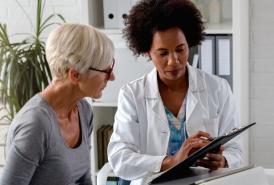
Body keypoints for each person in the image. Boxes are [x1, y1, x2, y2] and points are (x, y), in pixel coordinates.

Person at [107, 0, 243, 184]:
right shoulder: (132, 95)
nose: (174, 61)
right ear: (147, 52)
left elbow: (235, 150)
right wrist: (170, 162)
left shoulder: (218, 88)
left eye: (180, 49)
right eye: (163, 53)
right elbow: (119, 158)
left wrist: (224, 160)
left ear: (190, 43)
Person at [0, 23, 115, 185]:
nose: (112, 77)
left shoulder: (83, 111)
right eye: (106, 71)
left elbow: (83, 179)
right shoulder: (35, 125)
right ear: (75, 75)